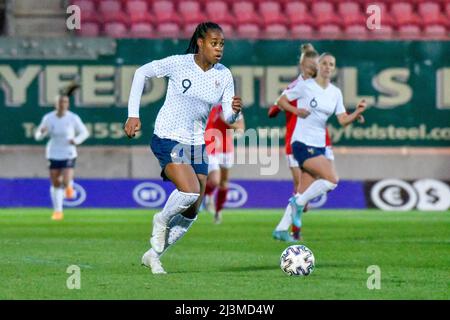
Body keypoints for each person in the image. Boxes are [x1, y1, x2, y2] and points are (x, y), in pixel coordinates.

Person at [124, 22, 242, 274]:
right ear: (200, 43)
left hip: (197, 142)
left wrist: (234, 112)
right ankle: (161, 219)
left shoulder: (223, 75)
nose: (219, 48)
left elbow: (228, 118)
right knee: (188, 192)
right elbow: (141, 73)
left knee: (193, 209)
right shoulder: (180, 63)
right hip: (168, 136)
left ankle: (153, 255)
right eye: (214, 43)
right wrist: (133, 114)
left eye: (222, 44)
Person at [276, 52, 367, 240]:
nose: (327, 66)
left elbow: (342, 120)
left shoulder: (335, 93)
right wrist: (296, 110)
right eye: (324, 63)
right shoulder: (305, 86)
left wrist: (356, 113)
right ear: (318, 66)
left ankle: (280, 229)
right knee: (332, 179)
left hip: (319, 145)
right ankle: (298, 203)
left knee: (302, 190)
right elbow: (281, 101)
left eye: (331, 64)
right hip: (301, 143)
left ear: (334, 68)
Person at [34, 84, 89, 221]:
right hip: (53, 152)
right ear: (56, 104)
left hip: (68, 152)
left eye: (65, 102)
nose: (62, 104)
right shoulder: (48, 118)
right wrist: (41, 133)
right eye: (60, 102)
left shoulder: (73, 118)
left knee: (65, 179)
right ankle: (58, 211)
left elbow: (84, 132)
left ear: (68, 104)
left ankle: (69, 186)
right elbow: (38, 135)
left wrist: (76, 140)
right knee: (55, 182)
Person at [203, 104, 245, 224]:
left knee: (223, 182)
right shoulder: (209, 105)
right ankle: (207, 195)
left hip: (227, 149)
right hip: (211, 147)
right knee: (215, 180)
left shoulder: (233, 109)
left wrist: (229, 122)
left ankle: (218, 212)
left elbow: (241, 129)